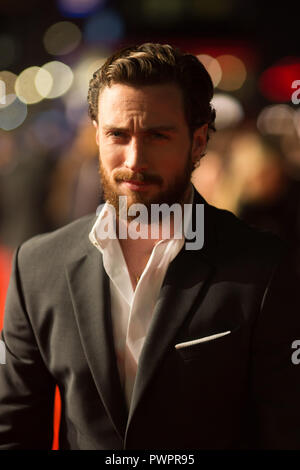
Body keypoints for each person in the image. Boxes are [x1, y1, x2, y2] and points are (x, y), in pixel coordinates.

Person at [0, 43, 300, 450]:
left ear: (197, 143)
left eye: (157, 136)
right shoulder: (37, 266)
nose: (134, 159)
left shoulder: (266, 268)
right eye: (117, 135)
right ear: (96, 136)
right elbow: (13, 429)